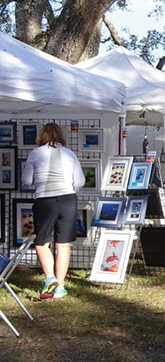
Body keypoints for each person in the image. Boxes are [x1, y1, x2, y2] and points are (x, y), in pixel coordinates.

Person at [22, 123, 84, 299]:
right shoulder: (70, 154)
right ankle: (60, 287)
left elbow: (26, 180)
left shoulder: (35, 153)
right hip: (67, 200)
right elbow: (79, 182)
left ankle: (50, 278)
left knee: (42, 242)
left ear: (41, 136)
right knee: (63, 244)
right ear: (61, 136)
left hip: (44, 200)